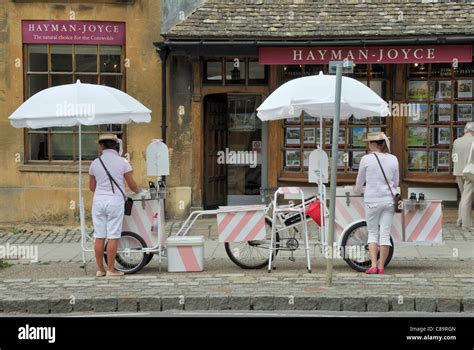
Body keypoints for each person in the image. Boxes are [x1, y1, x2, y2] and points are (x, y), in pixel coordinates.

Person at [89, 134, 141, 277]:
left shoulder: (95, 163)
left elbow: (92, 187)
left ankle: (100, 269)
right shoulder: (122, 162)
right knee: (113, 235)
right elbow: (132, 184)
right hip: (115, 201)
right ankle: (111, 269)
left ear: (101, 146)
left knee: (99, 235)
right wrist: (139, 191)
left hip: (98, 201)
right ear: (116, 145)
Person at [353, 132, 399, 275]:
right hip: (389, 200)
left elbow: (359, 181)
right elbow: (396, 182)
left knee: (372, 233)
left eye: (369, 142)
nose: (368, 145)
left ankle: (373, 265)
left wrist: (358, 190)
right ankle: (381, 267)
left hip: (372, 200)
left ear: (373, 144)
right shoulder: (393, 159)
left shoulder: (366, 159)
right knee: (385, 234)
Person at [452, 122, 474, 231]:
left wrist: (457, 167)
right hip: (469, 173)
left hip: (458, 172)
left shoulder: (457, 141)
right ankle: (466, 224)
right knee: (467, 198)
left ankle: (460, 219)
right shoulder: (473, 141)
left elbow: (454, 157)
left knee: (463, 196)